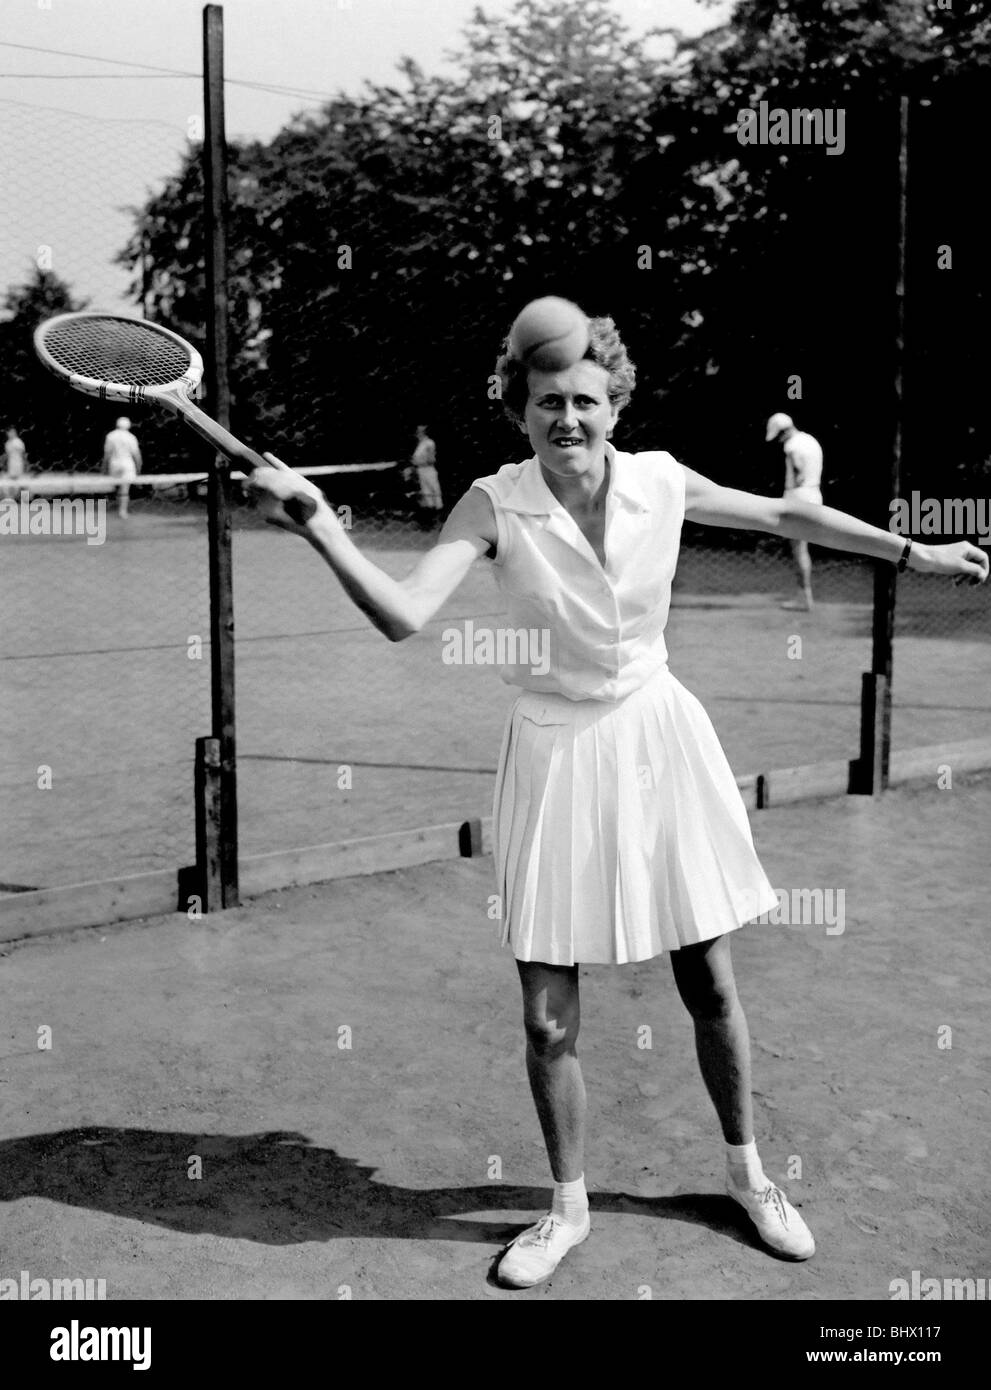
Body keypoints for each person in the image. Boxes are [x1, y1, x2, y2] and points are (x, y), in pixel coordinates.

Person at [246, 314, 987, 1290]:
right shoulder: (490, 503)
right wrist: (318, 525)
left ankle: (749, 1174)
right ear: (517, 406)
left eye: (585, 399)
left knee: (708, 981)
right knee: (548, 1018)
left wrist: (912, 554)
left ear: (614, 403)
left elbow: (787, 519)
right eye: (546, 400)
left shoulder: (660, 480)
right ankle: (567, 1206)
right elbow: (403, 614)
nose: (567, 417)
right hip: (554, 753)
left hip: (655, 734)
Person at [766, 412, 824, 611]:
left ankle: (804, 597)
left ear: (782, 431)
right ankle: (805, 596)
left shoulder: (791, 446)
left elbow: (797, 475)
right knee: (803, 549)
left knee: (798, 550)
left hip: (798, 497)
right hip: (815, 494)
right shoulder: (811, 440)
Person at [103, 417, 142, 519]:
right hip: (127, 464)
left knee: (117, 487)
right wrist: (139, 467)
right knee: (125, 489)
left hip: (114, 463)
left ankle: (116, 506)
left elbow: (107, 454)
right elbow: (136, 455)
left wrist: (104, 467)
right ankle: (122, 511)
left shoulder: (110, 436)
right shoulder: (131, 437)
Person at [411, 424, 444, 522]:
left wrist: (418, 463)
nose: (417, 433)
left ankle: (440, 515)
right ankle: (431, 517)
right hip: (421, 471)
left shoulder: (429, 443)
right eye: (417, 431)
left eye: (420, 431)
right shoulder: (420, 444)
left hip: (428, 470)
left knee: (434, 491)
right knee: (426, 492)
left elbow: (431, 459)